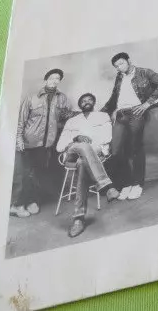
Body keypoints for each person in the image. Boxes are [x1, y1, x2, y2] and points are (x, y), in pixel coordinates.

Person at [11, 69, 74, 218]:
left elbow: (67, 116)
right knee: (24, 174)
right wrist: (19, 140)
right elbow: (21, 121)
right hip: (29, 142)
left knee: (37, 173)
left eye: (57, 78)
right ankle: (17, 205)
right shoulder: (32, 97)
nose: (54, 80)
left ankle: (32, 200)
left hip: (46, 145)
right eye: (52, 78)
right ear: (46, 80)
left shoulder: (62, 98)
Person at [56, 93, 120, 238]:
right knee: (83, 146)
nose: (86, 102)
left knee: (82, 162)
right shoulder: (72, 121)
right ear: (79, 105)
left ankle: (78, 219)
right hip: (72, 151)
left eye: (90, 99)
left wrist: (88, 144)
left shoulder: (102, 116)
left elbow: (107, 137)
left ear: (94, 102)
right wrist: (76, 138)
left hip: (93, 152)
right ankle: (107, 186)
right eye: (83, 101)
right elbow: (60, 146)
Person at [101, 52, 158, 201]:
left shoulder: (144, 72)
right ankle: (127, 184)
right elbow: (114, 98)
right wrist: (101, 113)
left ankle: (137, 184)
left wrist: (147, 103)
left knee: (136, 148)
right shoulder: (119, 77)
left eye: (121, 63)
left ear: (129, 61)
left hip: (136, 113)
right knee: (116, 151)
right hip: (120, 115)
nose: (119, 68)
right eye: (116, 66)